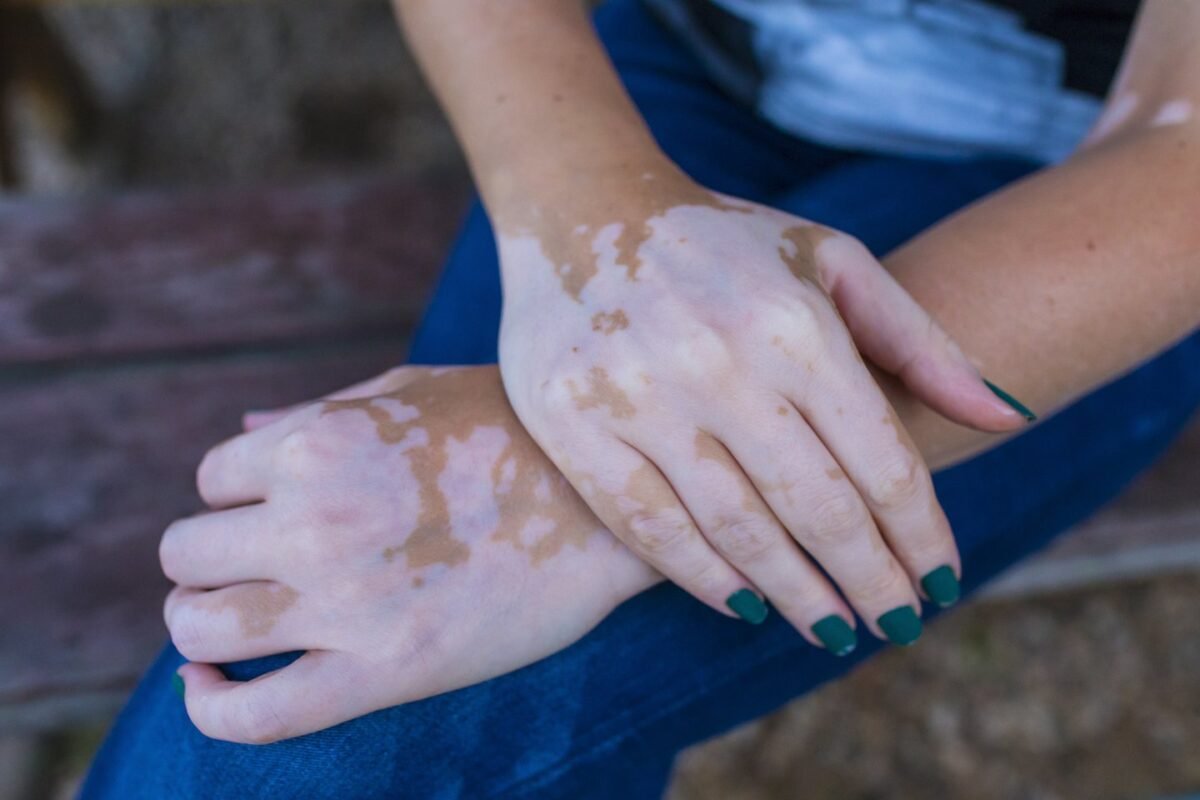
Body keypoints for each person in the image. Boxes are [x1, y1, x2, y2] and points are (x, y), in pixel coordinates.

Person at [83, 0, 1200, 797]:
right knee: (306, 677)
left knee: (326, 715)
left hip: (1076, 200)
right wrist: (588, 224)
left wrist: (578, 487)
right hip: (660, 55)